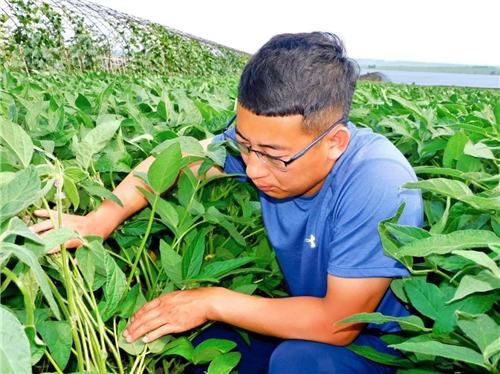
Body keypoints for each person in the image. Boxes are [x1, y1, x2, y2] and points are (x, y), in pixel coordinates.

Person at [32, 32, 423, 373]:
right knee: (198, 346)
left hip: (376, 345)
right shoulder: (266, 150)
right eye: (244, 145)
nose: (252, 169)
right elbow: (181, 159)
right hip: (304, 313)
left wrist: (211, 301)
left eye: (272, 154)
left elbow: (337, 323)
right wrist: (101, 218)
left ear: (334, 143)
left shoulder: (379, 181)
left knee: (298, 360)